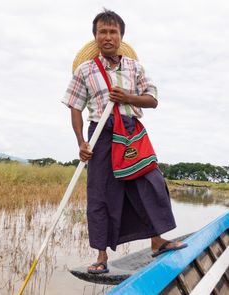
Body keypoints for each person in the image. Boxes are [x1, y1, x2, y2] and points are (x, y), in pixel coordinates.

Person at [62, 9, 187, 274]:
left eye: (112, 32)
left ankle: (157, 242)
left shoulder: (134, 67)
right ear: (95, 37)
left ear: (121, 36)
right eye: (102, 32)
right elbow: (75, 106)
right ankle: (101, 256)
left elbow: (152, 99)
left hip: (131, 132)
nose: (107, 37)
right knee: (100, 194)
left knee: (151, 182)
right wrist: (81, 142)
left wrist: (127, 98)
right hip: (101, 134)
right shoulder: (85, 70)